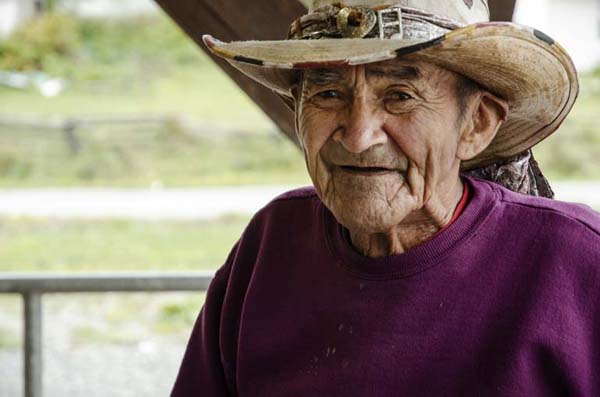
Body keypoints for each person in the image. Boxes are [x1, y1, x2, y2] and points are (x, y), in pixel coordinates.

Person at [172, 1, 600, 395]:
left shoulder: (574, 259)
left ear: (477, 124)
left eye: (399, 97)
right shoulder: (271, 243)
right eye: (328, 94)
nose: (358, 137)